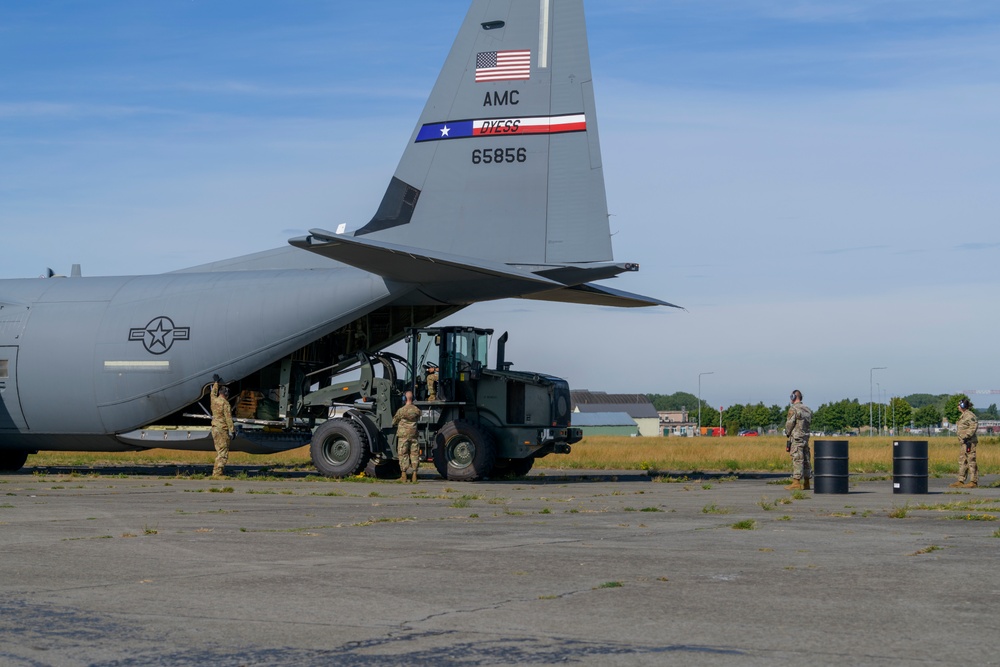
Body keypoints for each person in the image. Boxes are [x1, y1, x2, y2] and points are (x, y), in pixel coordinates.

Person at [784, 389, 813, 491]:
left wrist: (787, 433)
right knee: (806, 459)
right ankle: (807, 482)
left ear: (793, 397)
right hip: (805, 437)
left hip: (796, 437)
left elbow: (789, 424)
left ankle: (796, 482)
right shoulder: (808, 410)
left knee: (797, 458)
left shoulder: (794, 409)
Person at [392, 391, 423, 483]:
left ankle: (404, 475)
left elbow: (394, 421)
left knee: (403, 454)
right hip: (414, 435)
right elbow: (419, 418)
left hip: (403, 436)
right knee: (414, 454)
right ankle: (414, 475)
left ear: (404, 399)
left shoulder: (401, 410)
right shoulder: (417, 410)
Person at [950, 398, 979, 489]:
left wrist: (966, 436)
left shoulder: (969, 415)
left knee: (971, 460)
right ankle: (961, 480)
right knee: (962, 461)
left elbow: (974, 426)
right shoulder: (963, 416)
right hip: (963, 442)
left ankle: (973, 481)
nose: (958, 407)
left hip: (969, 442)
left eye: (959, 405)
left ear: (963, 406)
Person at [210, 376, 234, 478]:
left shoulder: (214, 400)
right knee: (223, 452)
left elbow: (212, 393)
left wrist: (216, 383)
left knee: (219, 450)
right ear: (227, 395)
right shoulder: (225, 404)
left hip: (214, 428)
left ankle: (216, 472)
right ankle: (217, 473)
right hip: (222, 429)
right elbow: (228, 418)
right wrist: (232, 430)